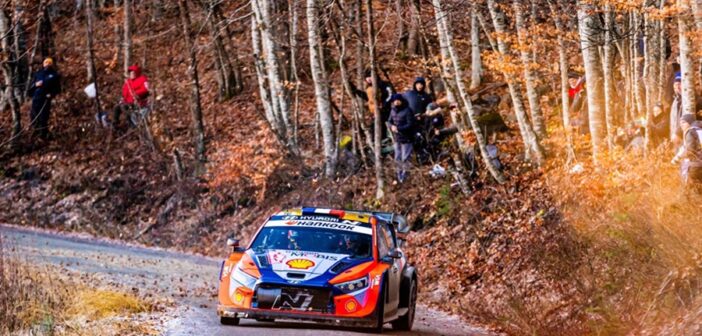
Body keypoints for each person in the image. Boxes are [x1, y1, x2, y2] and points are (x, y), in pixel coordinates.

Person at [349, 70, 395, 138]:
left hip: (388, 110)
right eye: (367, 77)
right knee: (375, 129)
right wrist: (356, 91)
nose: (369, 79)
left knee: (385, 127)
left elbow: (391, 95)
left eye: (370, 76)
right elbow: (368, 98)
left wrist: (384, 105)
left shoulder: (384, 84)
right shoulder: (369, 88)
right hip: (376, 112)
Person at [27, 57, 61, 140]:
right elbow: (30, 89)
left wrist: (51, 94)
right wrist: (35, 85)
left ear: (51, 64)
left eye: (49, 63)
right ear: (43, 64)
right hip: (36, 98)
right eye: (46, 62)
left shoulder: (54, 75)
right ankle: (35, 134)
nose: (47, 64)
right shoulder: (38, 74)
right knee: (33, 116)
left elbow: (58, 89)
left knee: (43, 117)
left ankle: (43, 136)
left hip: (45, 99)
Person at [107, 64, 150, 129]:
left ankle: (131, 124)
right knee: (117, 108)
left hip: (138, 102)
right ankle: (115, 124)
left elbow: (146, 89)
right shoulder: (128, 83)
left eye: (133, 73)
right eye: (130, 73)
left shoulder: (142, 79)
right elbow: (125, 95)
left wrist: (137, 93)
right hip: (128, 102)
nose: (132, 74)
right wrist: (123, 100)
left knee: (125, 108)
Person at [388, 94, 415, 183]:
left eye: (398, 100)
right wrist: (391, 126)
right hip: (397, 138)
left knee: (405, 158)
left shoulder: (407, 110)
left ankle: (405, 177)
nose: (396, 102)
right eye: (395, 101)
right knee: (397, 157)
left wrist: (399, 128)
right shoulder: (392, 110)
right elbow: (389, 121)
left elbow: (411, 124)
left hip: (407, 138)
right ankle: (399, 175)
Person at [671, 114, 702, 187]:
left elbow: (690, 150)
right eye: (680, 123)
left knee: (689, 191)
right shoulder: (699, 130)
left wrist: (680, 159)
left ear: (689, 122)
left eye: (683, 122)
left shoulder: (690, 132)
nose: (681, 125)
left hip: (695, 165)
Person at [669, 72, 683, 143]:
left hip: (684, 137)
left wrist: (678, 134)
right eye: (676, 85)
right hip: (674, 138)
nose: (677, 87)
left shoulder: (690, 100)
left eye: (679, 84)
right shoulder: (675, 101)